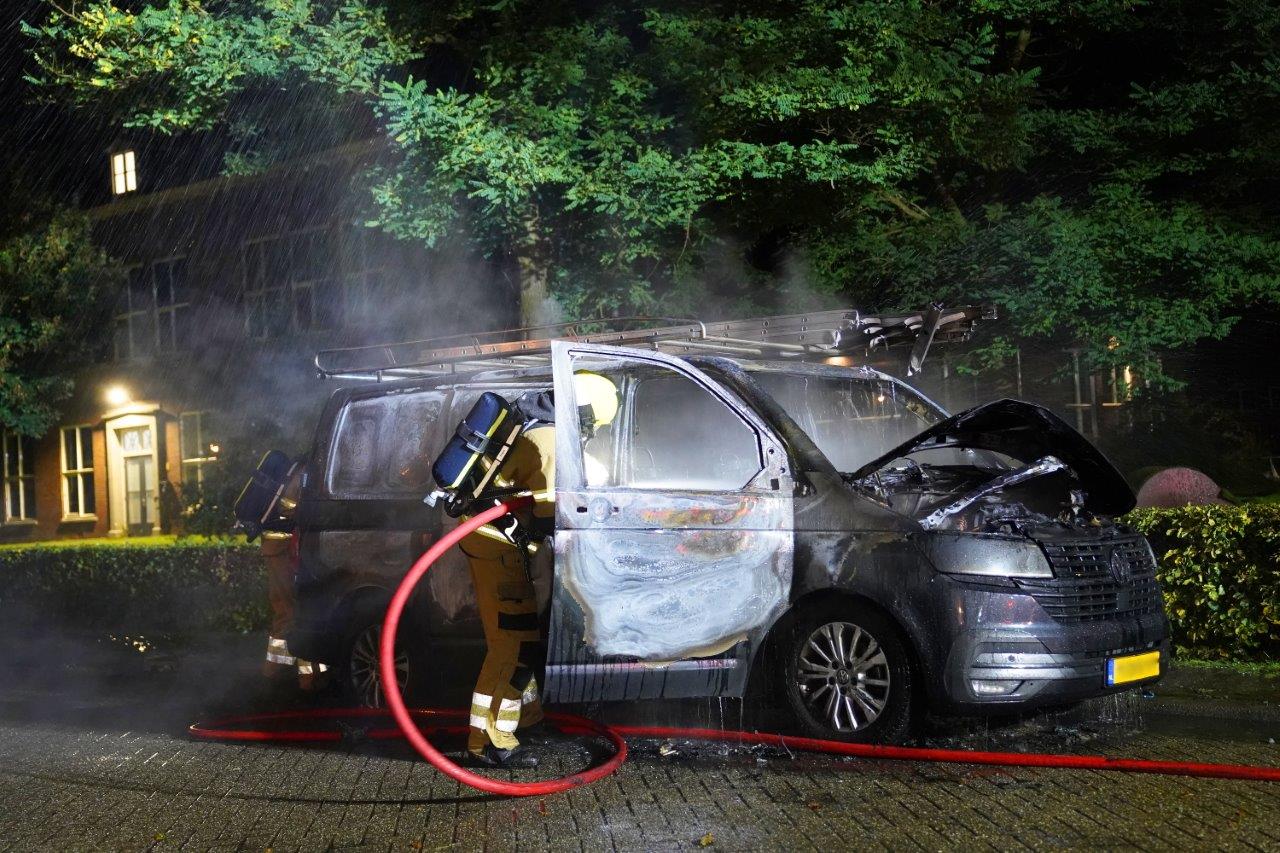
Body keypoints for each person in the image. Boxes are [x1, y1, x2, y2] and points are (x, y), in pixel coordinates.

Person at [459, 371, 619, 768]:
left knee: (525, 641)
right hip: (499, 550)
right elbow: (554, 518)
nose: (591, 434)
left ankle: (525, 720)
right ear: (582, 415)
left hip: (503, 545)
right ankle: (487, 742)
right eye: (592, 426)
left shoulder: (535, 428)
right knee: (512, 647)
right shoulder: (547, 441)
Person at [260, 460, 329, 691]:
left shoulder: (296, 470)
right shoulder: (303, 473)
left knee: (287, 608)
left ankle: (277, 671)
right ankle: (304, 678)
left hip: (280, 549)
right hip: (284, 550)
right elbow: (292, 509)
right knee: (293, 611)